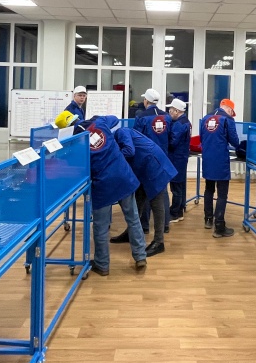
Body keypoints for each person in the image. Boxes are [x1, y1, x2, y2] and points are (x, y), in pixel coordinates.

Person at [54, 112, 146, 275]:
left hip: (103, 184)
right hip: (123, 176)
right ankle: (140, 256)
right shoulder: (100, 122)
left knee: (101, 226)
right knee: (133, 218)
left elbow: (75, 167)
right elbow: (115, 119)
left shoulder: (75, 142)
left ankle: (102, 265)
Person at [113, 128, 178, 257]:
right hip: (143, 167)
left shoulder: (121, 132)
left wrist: (112, 158)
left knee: (156, 202)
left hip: (153, 165)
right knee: (137, 199)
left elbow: (130, 151)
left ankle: (159, 242)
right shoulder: (118, 136)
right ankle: (131, 233)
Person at [132, 88, 172, 232]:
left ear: (146, 101)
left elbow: (136, 137)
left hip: (147, 159)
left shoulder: (141, 117)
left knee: (145, 190)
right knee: (162, 191)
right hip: (162, 158)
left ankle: (144, 226)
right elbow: (170, 137)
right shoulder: (167, 116)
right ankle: (165, 225)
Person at [199, 99, 239, 238]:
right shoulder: (227, 119)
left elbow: (202, 138)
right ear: (229, 109)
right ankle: (219, 226)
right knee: (222, 194)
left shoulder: (205, 118)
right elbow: (235, 141)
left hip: (207, 159)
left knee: (209, 189)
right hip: (221, 160)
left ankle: (208, 219)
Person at [167, 98, 191, 223]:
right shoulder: (186, 121)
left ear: (177, 111)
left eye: (171, 110)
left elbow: (173, 143)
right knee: (180, 185)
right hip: (182, 158)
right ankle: (180, 210)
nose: (169, 112)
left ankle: (175, 213)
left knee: (176, 187)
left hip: (176, 158)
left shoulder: (178, 125)